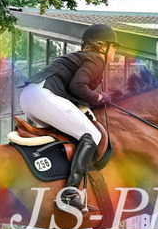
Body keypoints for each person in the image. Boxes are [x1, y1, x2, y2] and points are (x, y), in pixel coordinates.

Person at [19, 24, 120, 211]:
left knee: (73, 135)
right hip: (43, 96)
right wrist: (99, 97)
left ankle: (54, 177)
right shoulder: (97, 59)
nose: (115, 50)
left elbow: (74, 90)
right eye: (113, 46)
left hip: (30, 97)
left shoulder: (82, 57)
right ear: (102, 46)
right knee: (92, 135)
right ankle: (70, 193)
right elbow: (78, 86)